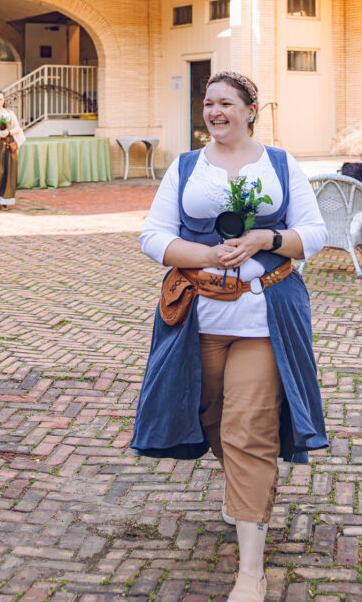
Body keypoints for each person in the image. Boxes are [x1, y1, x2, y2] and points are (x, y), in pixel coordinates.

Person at [131, 70, 328, 602]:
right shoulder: (187, 167)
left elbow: (315, 233)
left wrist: (266, 236)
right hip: (197, 320)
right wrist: (204, 255)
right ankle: (247, 486)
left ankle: (250, 570)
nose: (215, 112)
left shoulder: (281, 164)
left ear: (251, 109)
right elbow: (152, 235)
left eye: (226, 103)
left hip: (264, 319)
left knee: (249, 429)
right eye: (208, 103)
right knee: (209, 416)